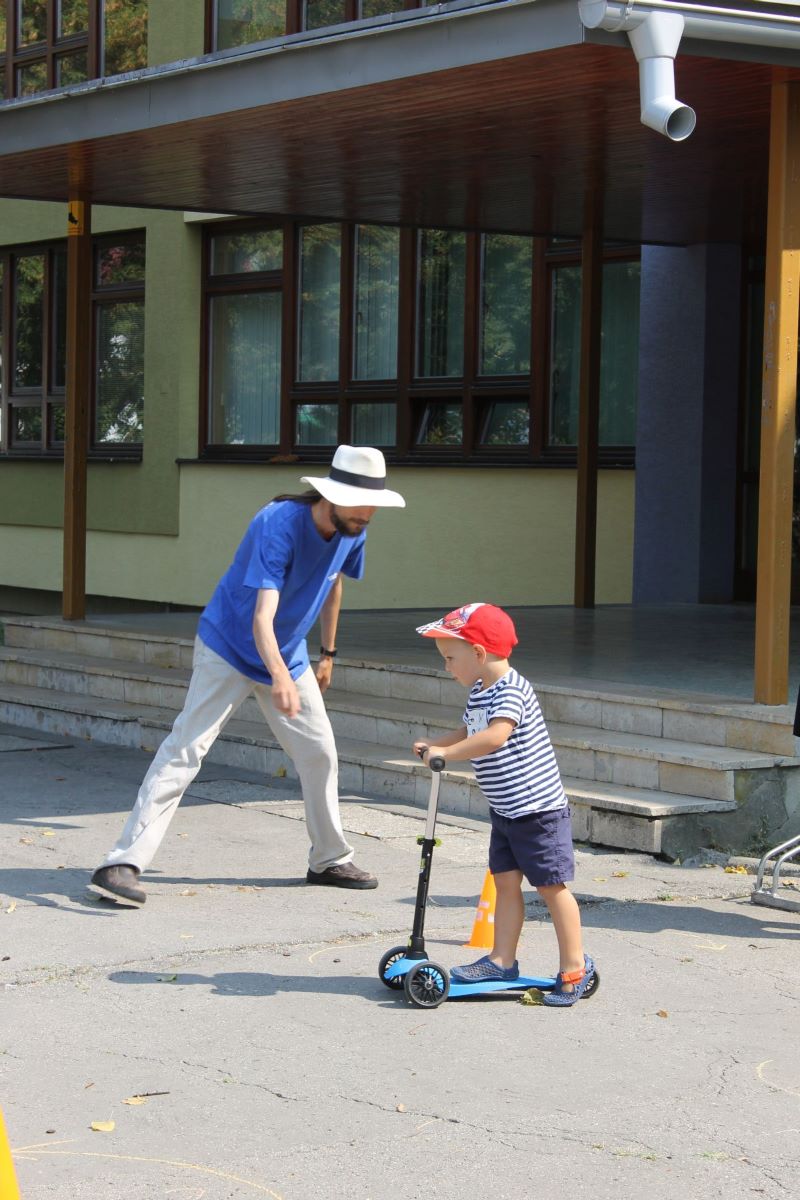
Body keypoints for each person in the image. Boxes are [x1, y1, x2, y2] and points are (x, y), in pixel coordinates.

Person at [90, 445, 405, 906]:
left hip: (288, 654)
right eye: (362, 504)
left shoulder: (352, 526)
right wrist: (279, 676)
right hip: (230, 647)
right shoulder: (278, 523)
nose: (369, 514)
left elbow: (334, 582)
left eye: (374, 505)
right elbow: (262, 617)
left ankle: (328, 859)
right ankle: (121, 862)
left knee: (319, 752)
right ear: (332, 495)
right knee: (186, 749)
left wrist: (328, 652)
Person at [413, 602, 595, 1007]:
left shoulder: (512, 689)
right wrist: (436, 744)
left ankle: (574, 966)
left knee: (551, 888)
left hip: (538, 812)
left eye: (450, 658)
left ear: (478, 653)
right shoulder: (480, 691)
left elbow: (495, 736)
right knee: (506, 884)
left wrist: (447, 754)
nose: (446, 667)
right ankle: (501, 960)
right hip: (506, 811)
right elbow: (470, 730)